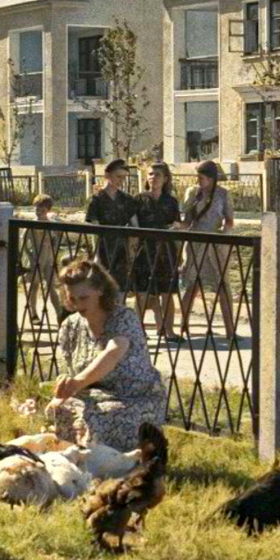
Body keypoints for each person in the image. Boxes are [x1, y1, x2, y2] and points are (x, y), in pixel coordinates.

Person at [46, 258, 166, 451]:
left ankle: (118, 464)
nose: (77, 304)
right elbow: (71, 369)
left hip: (134, 395)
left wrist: (77, 382)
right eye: (72, 298)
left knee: (105, 416)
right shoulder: (70, 326)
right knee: (58, 407)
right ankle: (76, 460)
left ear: (100, 290)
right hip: (94, 394)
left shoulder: (123, 318)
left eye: (84, 298)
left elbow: (112, 353)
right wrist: (66, 382)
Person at [180, 159, 236, 335]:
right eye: (197, 176)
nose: (199, 180)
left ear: (211, 178)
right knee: (192, 283)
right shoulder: (192, 192)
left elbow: (229, 219)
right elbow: (187, 219)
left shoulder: (223, 194)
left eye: (202, 177)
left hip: (216, 244)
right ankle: (183, 324)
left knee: (222, 285)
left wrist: (225, 234)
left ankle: (230, 329)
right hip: (196, 242)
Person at [130, 162, 182, 339]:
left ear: (165, 178)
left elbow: (177, 224)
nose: (153, 178)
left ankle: (169, 330)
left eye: (158, 175)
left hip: (166, 251)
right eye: (151, 174)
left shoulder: (171, 201)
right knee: (142, 293)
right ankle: (138, 330)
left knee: (167, 293)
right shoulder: (138, 199)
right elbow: (133, 225)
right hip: (145, 251)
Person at [84, 158, 138, 293]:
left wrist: (132, 249)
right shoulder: (96, 199)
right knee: (100, 290)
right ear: (107, 176)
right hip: (103, 248)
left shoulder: (127, 200)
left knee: (120, 290)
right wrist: (96, 254)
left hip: (121, 250)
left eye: (124, 177)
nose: (121, 180)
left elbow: (135, 226)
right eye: (118, 176)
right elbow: (94, 229)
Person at [24, 194, 65, 325]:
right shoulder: (32, 224)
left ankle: (59, 314)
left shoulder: (51, 224)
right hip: (36, 257)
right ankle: (33, 313)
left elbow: (57, 238)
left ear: (48, 210)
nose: (38, 212)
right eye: (36, 209)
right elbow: (23, 242)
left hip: (49, 258)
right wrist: (30, 257)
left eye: (42, 210)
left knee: (51, 287)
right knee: (34, 286)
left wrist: (55, 251)